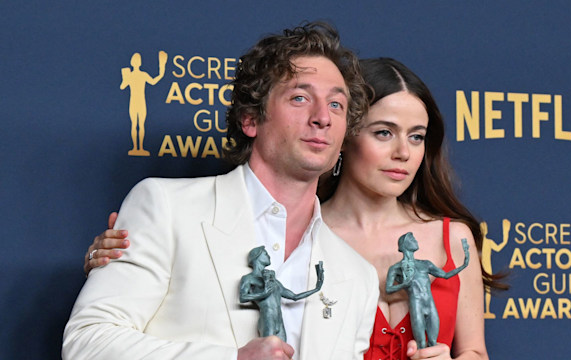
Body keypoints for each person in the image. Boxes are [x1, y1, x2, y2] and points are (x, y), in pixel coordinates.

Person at [86, 57, 507, 359]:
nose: (402, 152)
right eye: (384, 132)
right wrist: (126, 254)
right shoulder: (179, 210)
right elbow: (92, 339)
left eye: (417, 137)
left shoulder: (348, 265)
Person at [64, 22, 379, 360]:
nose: (322, 118)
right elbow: (88, 342)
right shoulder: (166, 208)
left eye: (336, 105)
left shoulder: (356, 275)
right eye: (300, 98)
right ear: (250, 119)